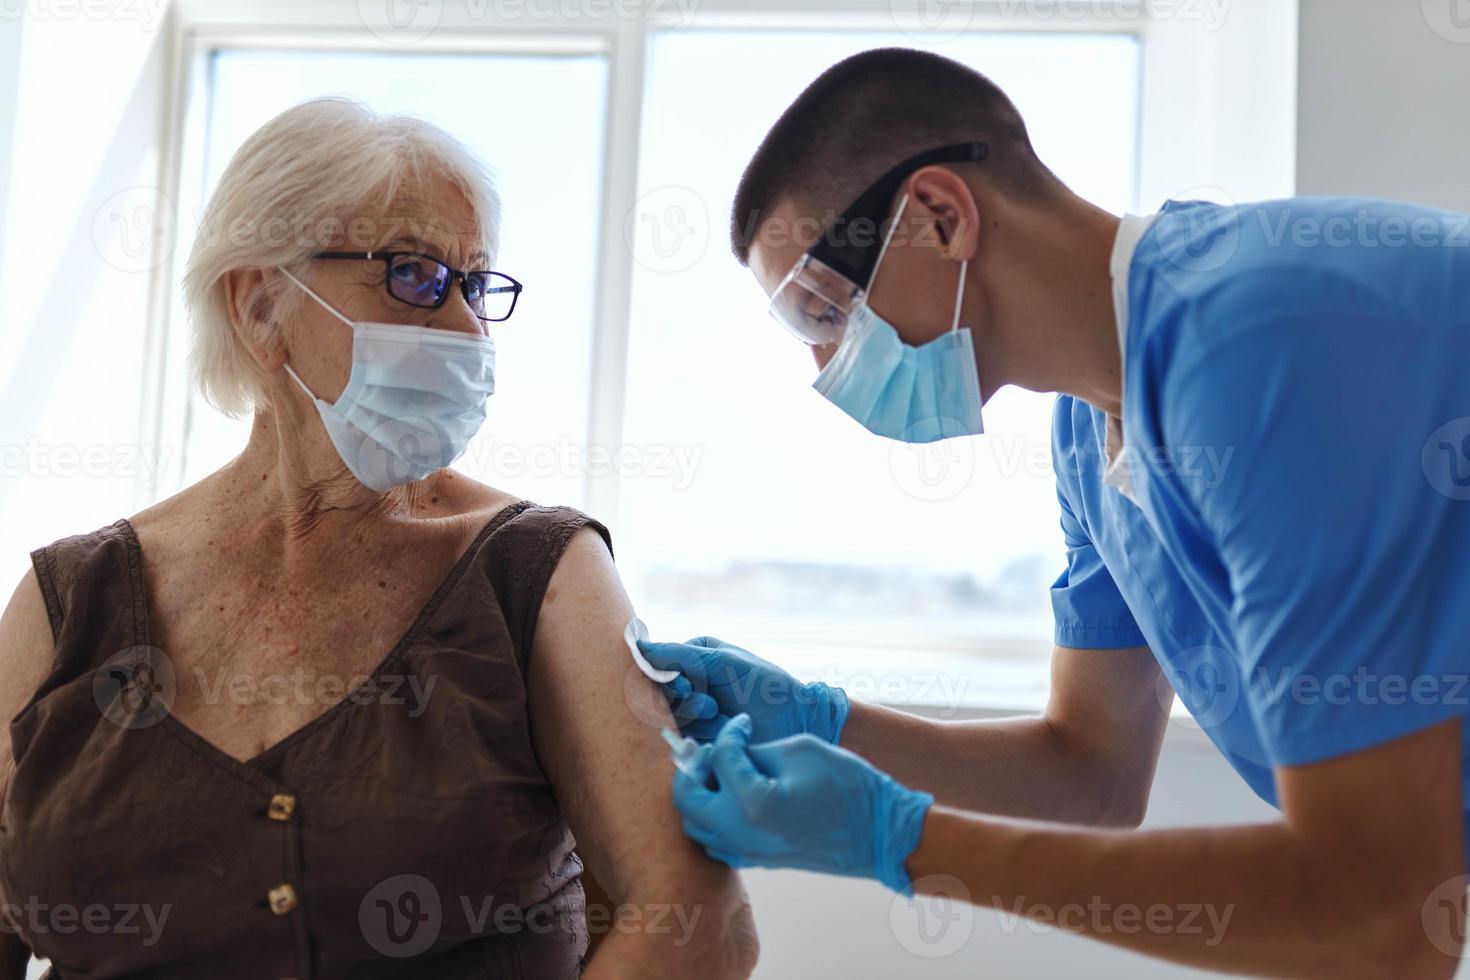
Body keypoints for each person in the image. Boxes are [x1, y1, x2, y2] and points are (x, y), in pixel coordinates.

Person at [640, 47, 1470, 977]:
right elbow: (1094, 770)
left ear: (939, 217)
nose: (826, 370)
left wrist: (899, 844)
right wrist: (826, 724)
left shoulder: (1266, 346)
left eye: (825, 314)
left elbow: (1380, 917)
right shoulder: (1090, 431)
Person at [0, 98, 757, 979]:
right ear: (258, 306)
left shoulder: (540, 576)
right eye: (413, 275)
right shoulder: (69, 601)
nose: (468, 326)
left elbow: (695, 918)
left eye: (475, 285)